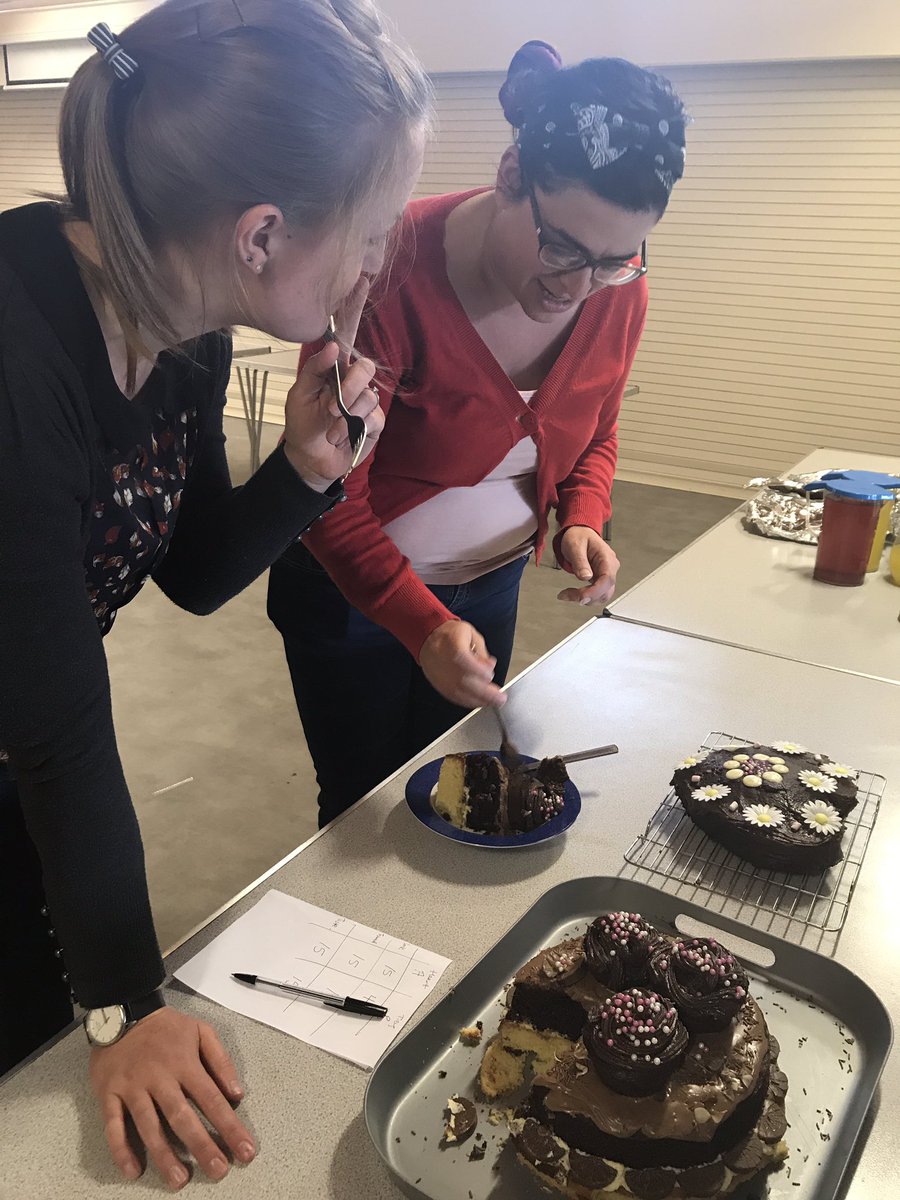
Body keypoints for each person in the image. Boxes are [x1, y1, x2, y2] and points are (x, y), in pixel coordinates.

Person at [0, 0, 429, 1188]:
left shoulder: (180, 323)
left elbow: (184, 571)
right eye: (375, 228)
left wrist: (303, 473)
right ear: (260, 234)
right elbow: (58, 725)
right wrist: (125, 1006)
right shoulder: (18, 359)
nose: (380, 262)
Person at [268, 43, 688, 826]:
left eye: (612, 260)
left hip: (489, 586)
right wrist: (421, 623)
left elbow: (596, 423)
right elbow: (323, 493)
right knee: (364, 806)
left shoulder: (614, 289)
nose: (577, 288)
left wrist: (583, 513)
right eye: (561, 248)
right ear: (509, 175)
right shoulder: (383, 276)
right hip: (354, 601)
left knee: (459, 785)